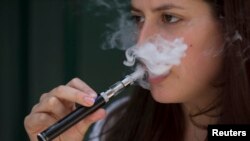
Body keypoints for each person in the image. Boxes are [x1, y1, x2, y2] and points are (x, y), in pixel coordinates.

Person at [24, 0, 250, 141]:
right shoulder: (114, 124)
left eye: (169, 18)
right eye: (138, 18)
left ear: (230, 27)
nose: (141, 44)